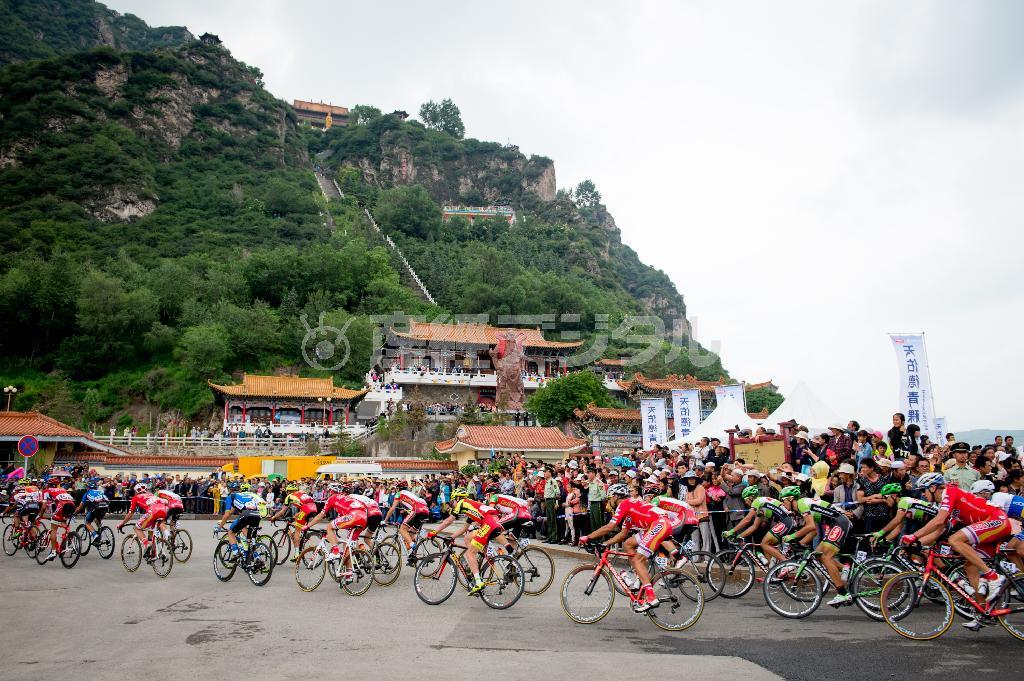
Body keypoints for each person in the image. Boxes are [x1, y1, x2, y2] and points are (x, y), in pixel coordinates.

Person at [903, 471, 1012, 631]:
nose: (923, 495)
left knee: (955, 540)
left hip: (996, 520)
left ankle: (994, 577)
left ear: (933, 488)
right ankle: (985, 612)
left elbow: (938, 520)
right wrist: (915, 543)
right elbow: (940, 529)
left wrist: (913, 536)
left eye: (923, 490)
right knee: (970, 567)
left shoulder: (949, 492)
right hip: (989, 526)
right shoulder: (947, 504)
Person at [580, 483, 672, 612]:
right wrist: (605, 544)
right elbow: (623, 534)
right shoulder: (630, 509)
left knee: (638, 560)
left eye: (609, 498)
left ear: (616, 497)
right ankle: (639, 578)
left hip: (659, 524)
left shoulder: (624, 504)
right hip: (657, 524)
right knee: (628, 543)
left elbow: (610, 527)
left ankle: (651, 598)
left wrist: (588, 537)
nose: (609, 502)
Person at [785, 486, 855, 607]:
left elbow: (810, 526)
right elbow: (814, 531)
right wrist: (801, 543)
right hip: (835, 523)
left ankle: (842, 594)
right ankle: (845, 568)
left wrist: (792, 536)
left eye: (783, 500)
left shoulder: (801, 504)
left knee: (827, 557)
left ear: (791, 499)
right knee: (818, 555)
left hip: (839, 523)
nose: (782, 504)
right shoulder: (804, 505)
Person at [429, 487, 504, 595]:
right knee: (467, 538)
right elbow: (464, 528)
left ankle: (478, 582)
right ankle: (477, 560)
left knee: (470, 553)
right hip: (493, 521)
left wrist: (435, 531)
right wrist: (452, 537)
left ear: (457, 498)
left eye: (453, 501)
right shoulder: (470, 507)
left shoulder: (462, 503)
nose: (453, 504)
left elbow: (449, 520)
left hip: (489, 523)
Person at [304, 483, 367, 582]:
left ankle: (335, 551)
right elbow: (341, 518)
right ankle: (349, 574)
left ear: (331, 491)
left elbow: (321, 516)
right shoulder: (346, 498)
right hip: (363, 518)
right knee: (347, 546)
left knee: (329, 526)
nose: (328, 493)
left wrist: (308, 526)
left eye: (329, 491)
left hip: (354, 516)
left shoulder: (332, 498)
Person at [117, 482, 170, 561]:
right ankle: (156, 554)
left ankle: (146, 545)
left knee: (136, 528)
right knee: (151, 531)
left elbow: (130, 514)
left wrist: (122, 523)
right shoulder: (151, 494)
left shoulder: (135, 497)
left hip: (153, 512)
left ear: (136, 491)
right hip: (164, 510)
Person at [383, 485, 431, 565]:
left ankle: (413, 545)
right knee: (411, 533)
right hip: (425, 510)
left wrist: (385, 521)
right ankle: (412, 557)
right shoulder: (408, 493)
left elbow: (392, 509)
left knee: (402, 529)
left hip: (417, 509)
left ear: (398, 489)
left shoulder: (398, 494)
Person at [269, 483, 318, 561]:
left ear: (288, 491)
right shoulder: (301, 493)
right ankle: (302, 539)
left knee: (297, 531)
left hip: (306, 509)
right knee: (296, 516)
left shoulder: (289, 496)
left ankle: (297, 554)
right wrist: (295, 517)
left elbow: (282, 511)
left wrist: (274, 517)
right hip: (314, 507)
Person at [215, 482, 263, 557]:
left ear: (230, 490)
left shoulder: (231, 496)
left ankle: (236, 553)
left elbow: (227, 515)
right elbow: (231, 512)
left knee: (231, 532)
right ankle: (256, 556)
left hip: (246, 514)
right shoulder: (244, 495)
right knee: (248, 537)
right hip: (257, 514)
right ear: (239, 489)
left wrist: (219, 527)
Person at [40, 481, 77, 562]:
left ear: (47, 485)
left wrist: (40, 515)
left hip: (62, 505)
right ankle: (69, 537)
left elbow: (44, 506)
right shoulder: (62, 489)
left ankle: (53, 552)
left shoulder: (46, 491)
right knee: (63, 521)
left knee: (53, 528)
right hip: (72, 505)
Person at [73, 481, 109, 546]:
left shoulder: (87, 493)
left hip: (97, 507)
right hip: (105, 507)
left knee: (87, 522)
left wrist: (75, 513)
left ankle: (95, 535)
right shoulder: (100, 491)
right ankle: (104, 536)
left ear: (88, 487)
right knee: (97, 520)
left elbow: (81, 506)